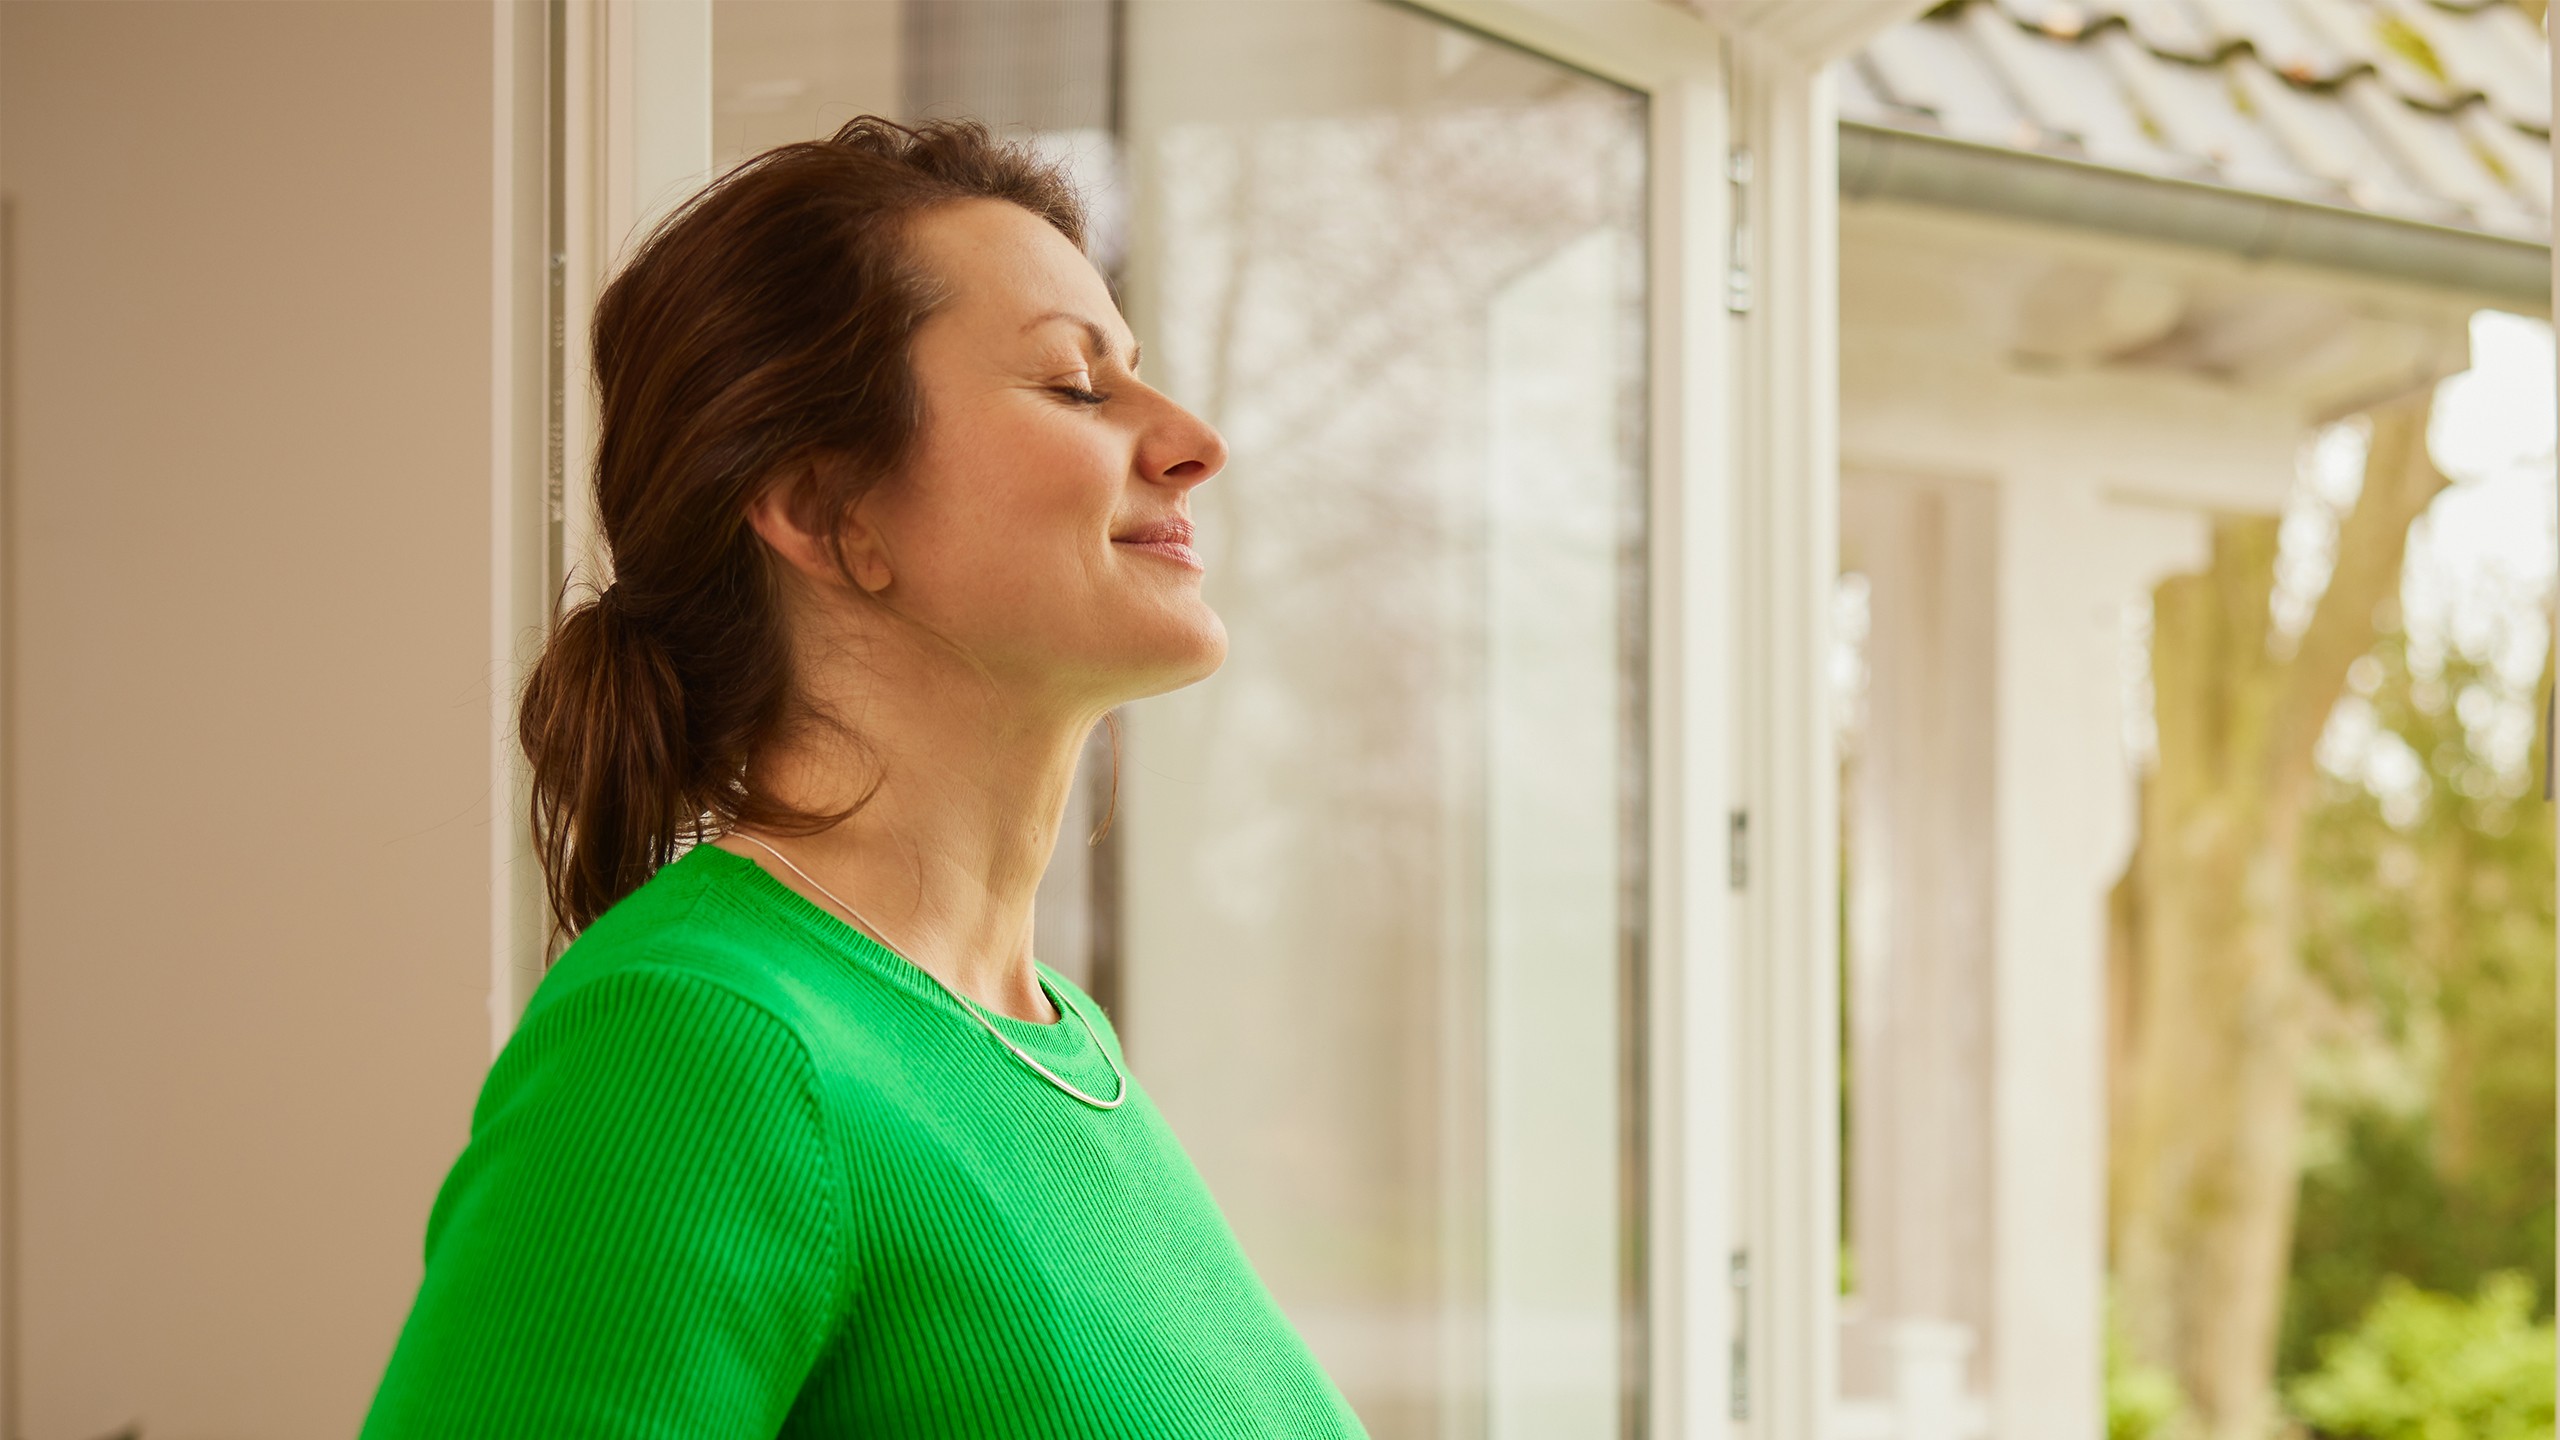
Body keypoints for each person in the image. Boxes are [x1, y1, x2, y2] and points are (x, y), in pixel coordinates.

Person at [359, 117, 1367, 1438]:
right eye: (1077, 386)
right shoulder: (703, 1040)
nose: (1193, 440)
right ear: (828, 510)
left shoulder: (1056, 1043)